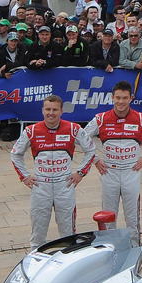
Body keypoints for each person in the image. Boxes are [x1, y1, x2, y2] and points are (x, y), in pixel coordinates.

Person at [83, 81, 142, 247]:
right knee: (108, 216)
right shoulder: (101, 118)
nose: (121, 102)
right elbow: (81, 138)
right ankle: (108, 249)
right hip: (109, 173)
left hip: (131, 172)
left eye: (124, 98)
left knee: (132, 217)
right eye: (118, 98)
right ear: (112, 97)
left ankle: (134, 250)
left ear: (131, 98)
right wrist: (96, 160)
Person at [10, 95, 97, 250]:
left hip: (64, 185)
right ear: (42, 110)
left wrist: (80, 173)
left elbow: (90, 149)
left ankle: (68, 263)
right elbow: (15, 154)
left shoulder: (73, 128)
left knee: (67, 232)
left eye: (55, 110)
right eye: (48, 109)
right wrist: (25, 177)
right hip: (41, 186)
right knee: (38, 231)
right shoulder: (31, 130)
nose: (51, 113)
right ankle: (36, 263)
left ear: (61, 111)